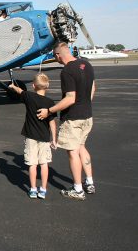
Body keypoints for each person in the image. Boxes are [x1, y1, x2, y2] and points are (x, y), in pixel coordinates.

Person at [37, 42, 96, 201]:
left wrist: (49, 111)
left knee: (73, 152)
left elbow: (70, 98)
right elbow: (92, 88)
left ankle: (78, 189)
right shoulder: (86, 64)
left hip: (74, 119)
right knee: (82, 147)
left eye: (54, 56)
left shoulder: (67, 71)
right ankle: (89, 182)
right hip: (87, 116)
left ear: (58, 55)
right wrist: (85, 104)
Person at [9, 73, 57, 199]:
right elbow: (52, 123)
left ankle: (33, 189)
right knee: (44, 164)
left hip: (31, 136)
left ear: (34, 86)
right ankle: (43, 189)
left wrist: (12, 86)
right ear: (47, 86)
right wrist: (54, 139)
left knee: (32, 164)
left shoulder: (29, 96)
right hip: (45, 138)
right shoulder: (50, 103)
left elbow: (20, 91)